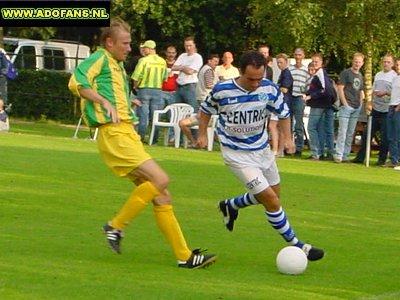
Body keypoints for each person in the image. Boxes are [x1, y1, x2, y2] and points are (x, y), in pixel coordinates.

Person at [68, 19, 216, 269]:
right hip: (115, 135)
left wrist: (129, 102)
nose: (129, 48)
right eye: (125, 43)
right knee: (161, 180)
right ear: (109, 42)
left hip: (125, 133)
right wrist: (104, 103)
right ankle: (115, 226)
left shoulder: (115, 64)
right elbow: (76, 83)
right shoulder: (100, 58)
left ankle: (184, 256)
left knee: (162, 196)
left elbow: (111, 91)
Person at [197, 50, 324, 262]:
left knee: (273, 194)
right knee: (272, 202)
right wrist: (201, 134)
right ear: (240, 71)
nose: (256, 83)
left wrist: (288, 139)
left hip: (262, 150)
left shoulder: (269, 88)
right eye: (251, 79)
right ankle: (298, 245)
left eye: (260, 78)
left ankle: (231, 205)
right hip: (236, 154)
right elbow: (205, 110)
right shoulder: (223, 90)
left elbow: (283, 113)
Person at [353, 54, 396, 165]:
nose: (386, 64)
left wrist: (386, 93)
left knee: (385, 137)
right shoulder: (378, 75)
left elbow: (396, 94)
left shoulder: (394, 76)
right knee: (367, 134)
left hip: (387, 110)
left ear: (392, 64)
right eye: (384, 61)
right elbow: (372, 90)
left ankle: (381, 160)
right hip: (375, 109)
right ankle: (360, 158)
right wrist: (370, 102)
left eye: (388, 62)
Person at [179, 54, 219, 147]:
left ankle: (196, 142)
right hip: (206, 99)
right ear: (209, 61)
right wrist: (220, 85)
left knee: (203, 122)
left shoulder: (204, 69)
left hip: (201, 99)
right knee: (208, 123)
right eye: (215, 61)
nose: (216, 64)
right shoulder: (208, 70)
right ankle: (200, 142)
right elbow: (209, 85)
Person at [131, 40, 167, 142]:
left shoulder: (143, 60)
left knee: (143, 115)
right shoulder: (162, 61)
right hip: (158, 90)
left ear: (149, 49)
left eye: (144, 48)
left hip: (144, 90)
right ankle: (154, 139)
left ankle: (141, 138)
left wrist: (135, 87)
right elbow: (165, 78)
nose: (143, 50)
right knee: (155, 116)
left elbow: (136, 76)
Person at [334, 52, 365, 163]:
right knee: (342, 131)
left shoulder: (360, 76)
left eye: (359, 62)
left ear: (362, 63)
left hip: (356, 107)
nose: (357, 63)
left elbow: (361, 91)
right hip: (346, 106)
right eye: (355, 61)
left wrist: (361, 104)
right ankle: (338, 154)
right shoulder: (346, 73)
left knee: (350, 132)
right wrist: (344, 103)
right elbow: (340, 88)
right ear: (352, 61)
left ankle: (345, 155)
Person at [303, 53, 335, 160]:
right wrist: (308, 93)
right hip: (323, 104)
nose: (314, 63)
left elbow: (323, 90)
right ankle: (321, 152)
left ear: (321, 63)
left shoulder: (320, 74)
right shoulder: (319, 74)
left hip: (319, 105)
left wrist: (310, 96)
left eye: (317, 61)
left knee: (311, 128)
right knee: (321, 129)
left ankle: (316, 152)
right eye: (313, 61)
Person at [172, 36, 203, 111]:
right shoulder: (182, 55)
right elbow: (173, 67)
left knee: (192, 109)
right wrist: (184, 68)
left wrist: (181, 67)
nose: (188, 48)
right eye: (186, 46)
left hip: (190, 86)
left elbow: (190, 72)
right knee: (176, 109)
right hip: (179, 86)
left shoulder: (197, 57)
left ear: (194, 45)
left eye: (190, 45)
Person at [289, 48, 309, 156]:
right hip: (290, 97)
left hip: (299, 98)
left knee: (299, 124)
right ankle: (288, 147)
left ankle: (299, 148)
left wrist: (305, 96)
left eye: (300, 55)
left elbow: (308, 85)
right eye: (296, 55)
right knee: (288, 123)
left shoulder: (306, 70)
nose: (297, 57)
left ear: (303, 56)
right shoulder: (289, 69)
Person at [274, 53, 293, 156]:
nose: (279, 64)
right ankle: (280, 150)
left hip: (284, 102)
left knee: (280, 127)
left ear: (286, 62)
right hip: (282, 102)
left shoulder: (287, 74)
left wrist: (275, 88)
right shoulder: (283, 73)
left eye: (281, 62)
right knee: (278, 127)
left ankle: (281, 150)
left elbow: (285, 89)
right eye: (278, 63)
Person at [386, 58, 400, 168]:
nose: (398, 66)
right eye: (397, 64)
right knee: (391, 135)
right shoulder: (395, 78)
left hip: (397, 108)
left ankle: (396, 159)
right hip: (391, 106)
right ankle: (393, 159)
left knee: (397, 135)